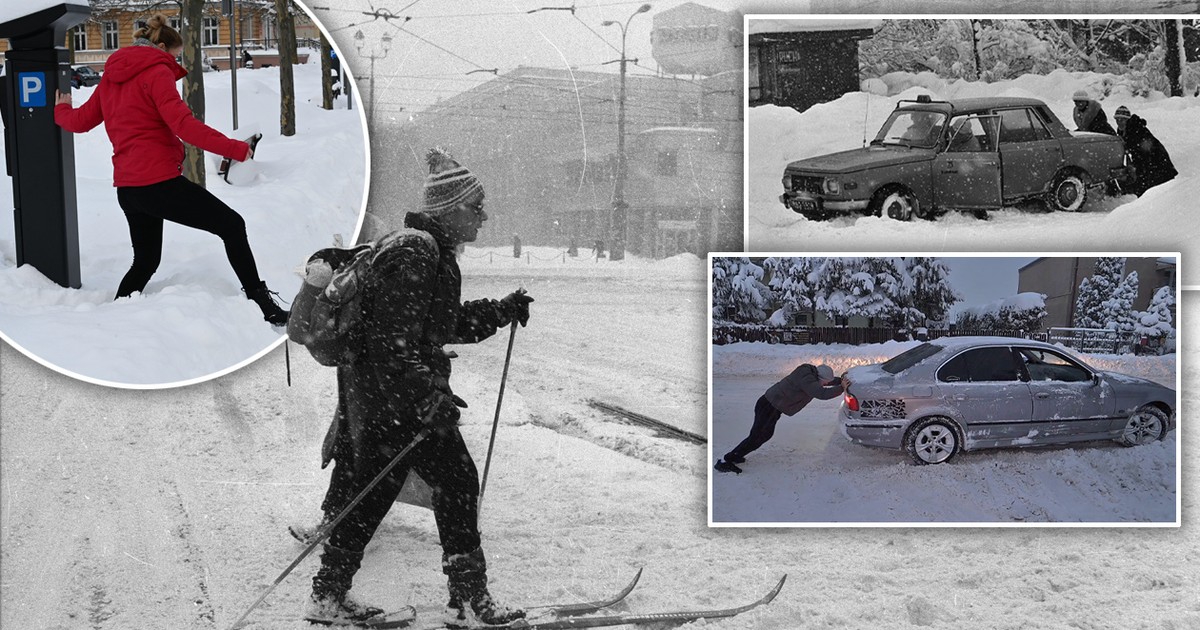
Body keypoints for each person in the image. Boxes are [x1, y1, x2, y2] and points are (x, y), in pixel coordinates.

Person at [302, 148, 534, 627]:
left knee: (375, 495)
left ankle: (329, 596)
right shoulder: (416, 253)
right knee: (453, 483)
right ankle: (470, 602)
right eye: (476, 206)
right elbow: (394, 341)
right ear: (450, 208)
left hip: (382, 398)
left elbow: (437, 324)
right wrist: (429, 397)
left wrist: (501, 309)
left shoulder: (426, 252)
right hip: (398, 401)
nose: (483, 216)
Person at [53, 14, 287, 325]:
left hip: (129, 190)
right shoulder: (156, 71)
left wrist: (61, 109)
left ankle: (113, 319)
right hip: (158, 184)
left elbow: (79, 122)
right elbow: (184, 126)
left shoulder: (111, 77)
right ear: (161, 47)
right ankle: (265, 306)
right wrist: (235, 149)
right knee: (232, 225)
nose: (175, 64)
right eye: (175, 57)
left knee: (146, 261)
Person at [715, 364, 844, 474]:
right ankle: (727, 460)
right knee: (758, 436)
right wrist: (842, 387)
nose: (826, 384)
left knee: (762, 435)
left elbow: (824, 382)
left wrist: (840, 380)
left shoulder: (809, 374)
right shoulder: (808, 379)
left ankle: (737, 455)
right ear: (819, 378)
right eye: (825, 382)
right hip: (769, 406)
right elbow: (822, 393)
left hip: (771, 406)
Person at [1114, 105, 1177, 197]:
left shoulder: (1136, 130)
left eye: (1122, 120)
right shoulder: (1126, 130)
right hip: (1149, 163)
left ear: (1127, 120)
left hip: (1156, 163)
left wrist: (1137, 170)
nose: (1119, 123)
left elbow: (1144, 153)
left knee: (1152, 192)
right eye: (1117, 120)